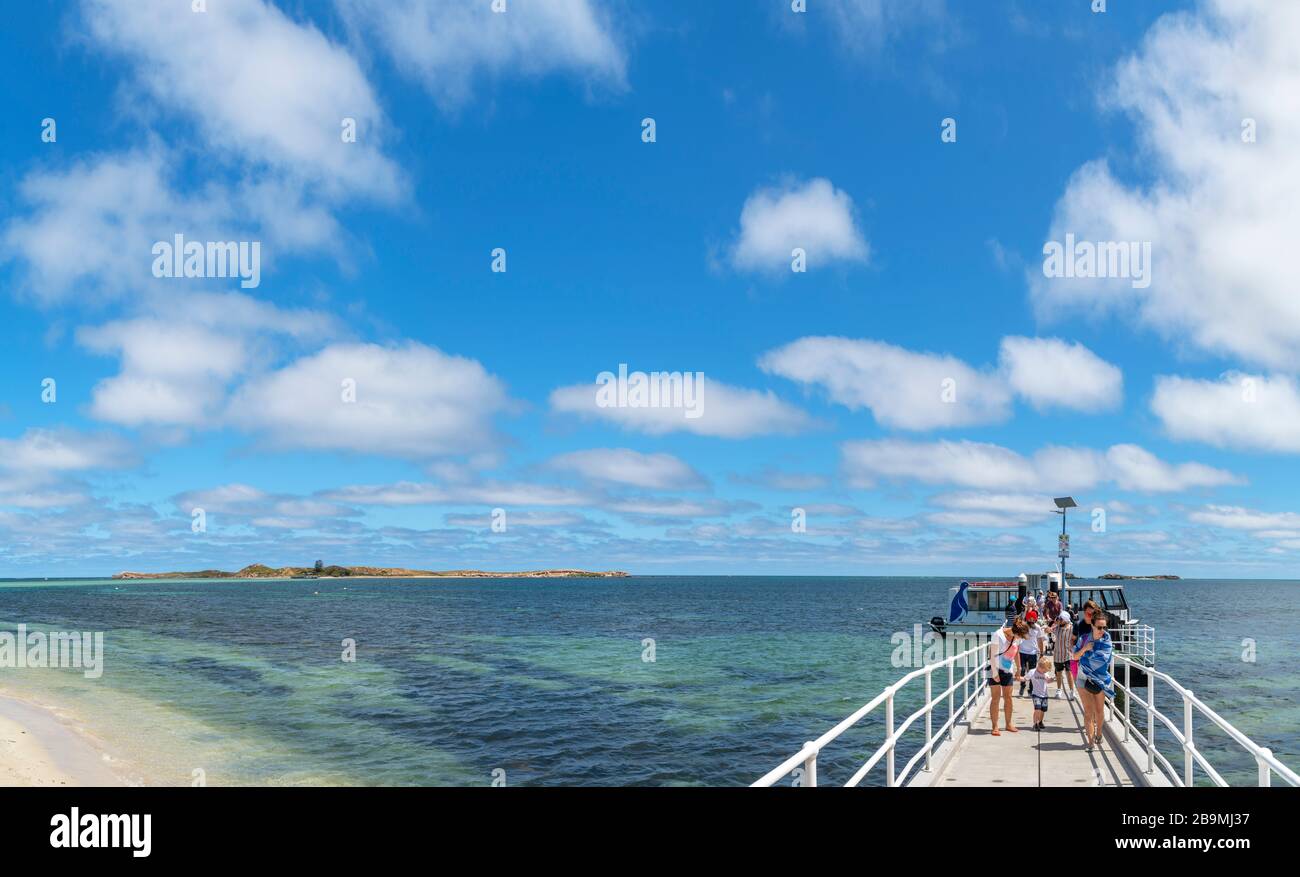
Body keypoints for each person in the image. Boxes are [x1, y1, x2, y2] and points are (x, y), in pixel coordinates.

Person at [1073, 611, 1115, 750]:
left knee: (1099, 710)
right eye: (1099, 627)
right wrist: (1085, 649)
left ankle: (1099, 733)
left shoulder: (1107, 640)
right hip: (1083, 677)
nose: (1102, 631)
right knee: (1088, 711)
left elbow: (1103, 659)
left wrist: (1086, 657)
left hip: (1100, 679)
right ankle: (1090, 742)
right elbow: (1075, 657)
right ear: (1092, 625)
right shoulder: (1084, 639)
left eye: (1104, 627)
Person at [988, 618, 1029, 736]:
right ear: (1015, 632)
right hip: (994, 668)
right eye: (1020, 636)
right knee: (995, 698)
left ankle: (1008, 723)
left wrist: (1019, 668)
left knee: (1008, 697)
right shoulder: (998, 635)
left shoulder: (1017, 638)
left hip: (1007, 670)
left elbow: (1017, 652)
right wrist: (995, 673)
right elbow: (992, 655)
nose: (1020, 639)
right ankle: (995, 726)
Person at [1017, 613, 1044, 696]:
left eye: (1033, 619)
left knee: (1032, 672)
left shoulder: (1038, 628)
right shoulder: (1023, 626)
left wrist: (1042, 652)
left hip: (1033, 652)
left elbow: (1040, 640)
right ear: (1027, 619)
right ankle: (1022, 685)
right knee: (1022, 669)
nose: (1031, 620)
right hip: (1022, 651)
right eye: (1029, 618)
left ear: (1035, 619)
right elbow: (1018, 638)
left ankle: (1031, 689)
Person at [1051, 610, 1075, 699]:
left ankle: (1072, 691)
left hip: (1068, 654)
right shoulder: (1057, 628)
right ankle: (1059, 689)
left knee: (1069, 672)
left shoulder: (1072, 628)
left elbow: (1075, 638)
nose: (1059, 620)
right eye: (1059, 618)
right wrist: (1052, 626)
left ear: (1066, 619)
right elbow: (1048, 632)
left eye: (1061, 619)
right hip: (1058, 654)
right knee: (1059, 672)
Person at [1027, 656, 1053, 731]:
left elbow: (1048, 680)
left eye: (1046, 671)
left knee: (1042, 710)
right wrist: (1020, 678)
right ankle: (1035, 724)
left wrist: (1051, 679)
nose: (1045, 672)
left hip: (1044, 695)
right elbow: (1026, 678)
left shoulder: (1045, 674)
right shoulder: (1033, 672)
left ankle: (1040, 721)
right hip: (1036, 694)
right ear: (1039, 667)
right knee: (1037, 709)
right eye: (1044, 670)